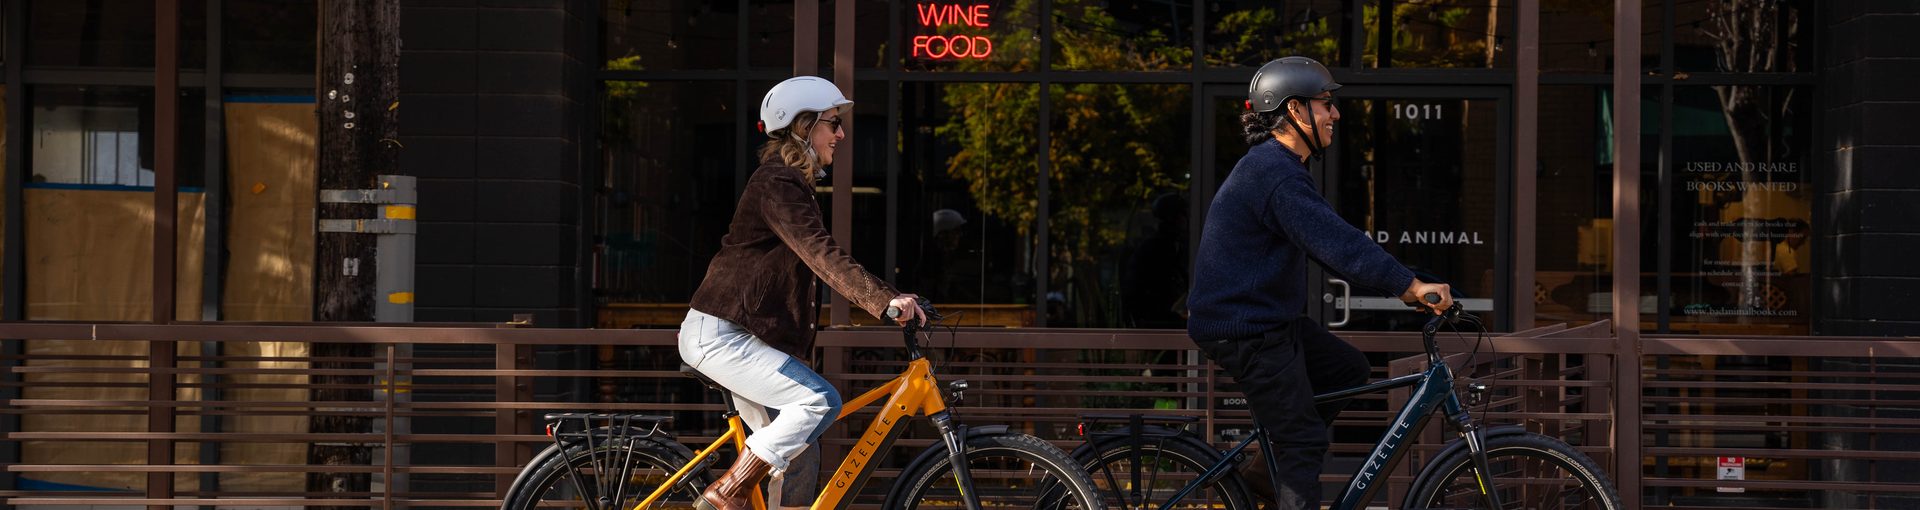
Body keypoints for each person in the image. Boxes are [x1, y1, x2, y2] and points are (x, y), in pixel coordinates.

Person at [1186, 56, 1455, 510]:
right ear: (1295, 110)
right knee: (1303, 442)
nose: (1334, 114)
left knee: (1347, 370)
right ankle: (1279, 466)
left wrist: (1414, 282)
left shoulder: (1279, 167)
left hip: (1268, 321)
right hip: (1244, 329)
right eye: (1325, 104)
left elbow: (1334, 241)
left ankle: (1260, 473)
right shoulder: (1274, 173)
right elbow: (1338, 244)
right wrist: (1408, 286)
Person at [679, 76, 926, 510]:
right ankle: (728, 490)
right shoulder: (777, 183)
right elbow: (821, 253)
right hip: (722, 336)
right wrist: (883, 300)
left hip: (745, 339)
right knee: (820, 400)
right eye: (834, 123)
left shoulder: (793, 184)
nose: (842, 134)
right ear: (803, 126)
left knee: (799, 453)